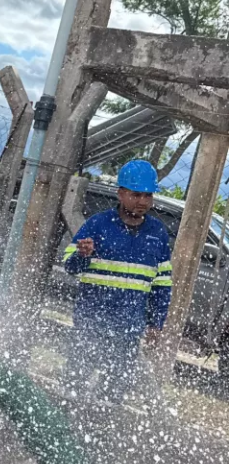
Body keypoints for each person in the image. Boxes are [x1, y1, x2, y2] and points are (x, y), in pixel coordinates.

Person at [63, 159, 172, 405]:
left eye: (148, 196)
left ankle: (102, 424)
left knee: (114, 386)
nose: (143, 202)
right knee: (75, 380)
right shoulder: (98, 224)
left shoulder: (157, 233)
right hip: (92, 319)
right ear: (121, 193)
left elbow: (162, 285)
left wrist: (156, 323)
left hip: (129, 326)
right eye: (136, 195)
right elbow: (70, 265)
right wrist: (82, 255)